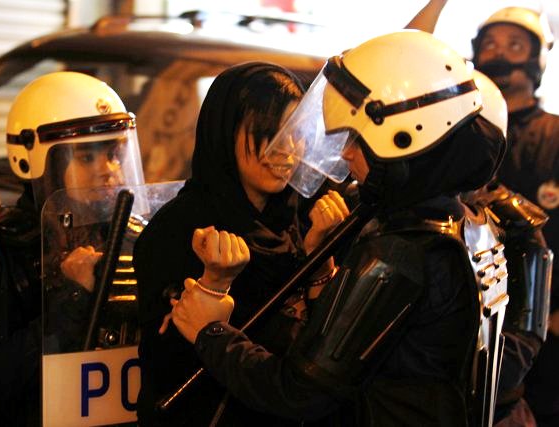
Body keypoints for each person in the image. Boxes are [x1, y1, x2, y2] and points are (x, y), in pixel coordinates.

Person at [171, 30, 508, 426]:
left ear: (402, 141)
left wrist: (210, 332)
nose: (346, 153)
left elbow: (298, 391)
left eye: (357, 140)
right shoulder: (469, 224)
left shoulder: (402, 251)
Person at [133, 62, 349, 426]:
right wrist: (213, 285)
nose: (286, 149)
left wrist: (319, 261)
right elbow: (165, 362)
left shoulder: (301, 219)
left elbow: (321, 354)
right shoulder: (181, 228)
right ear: (224, 131)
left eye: (296, 132)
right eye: (269, 132)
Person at [0, 71, 144, 426]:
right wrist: (73, 296)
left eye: (114, 153)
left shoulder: (132, 237)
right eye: (86, 157)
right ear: (41, 162)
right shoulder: (9, 246)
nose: (109, 169)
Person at [472, 8, 559, 426]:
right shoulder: (466, 130)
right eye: (489, 44)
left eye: (514, 45)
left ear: (535, 60)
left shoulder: (555, 134)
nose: (499, 53)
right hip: (473, 322)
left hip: (547, 325)